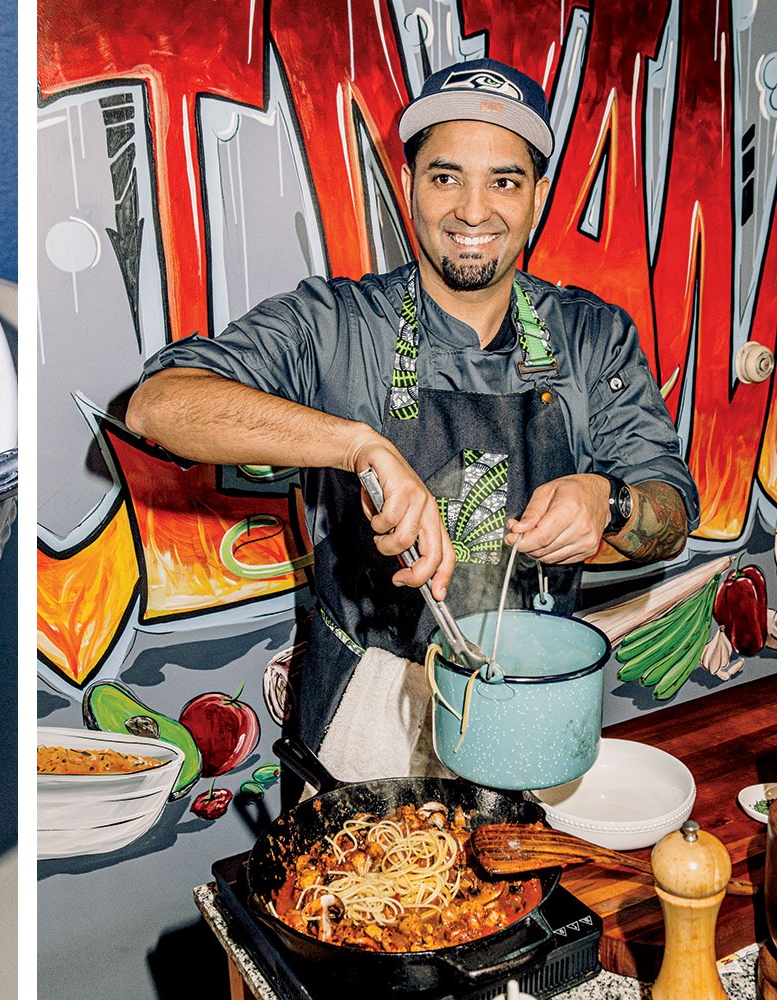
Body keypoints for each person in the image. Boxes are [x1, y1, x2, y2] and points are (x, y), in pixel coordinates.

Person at [125, 57, 698, 763]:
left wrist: (609, 502)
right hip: (371, 706)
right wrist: (359, 446)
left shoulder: (593, 336)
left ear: (539, 197)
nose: (474, 210)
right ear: (408, 186)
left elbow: (670, 514)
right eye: (446, 175)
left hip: (531, 700)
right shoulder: (337, 323)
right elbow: (159, 406)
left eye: (505, 181)